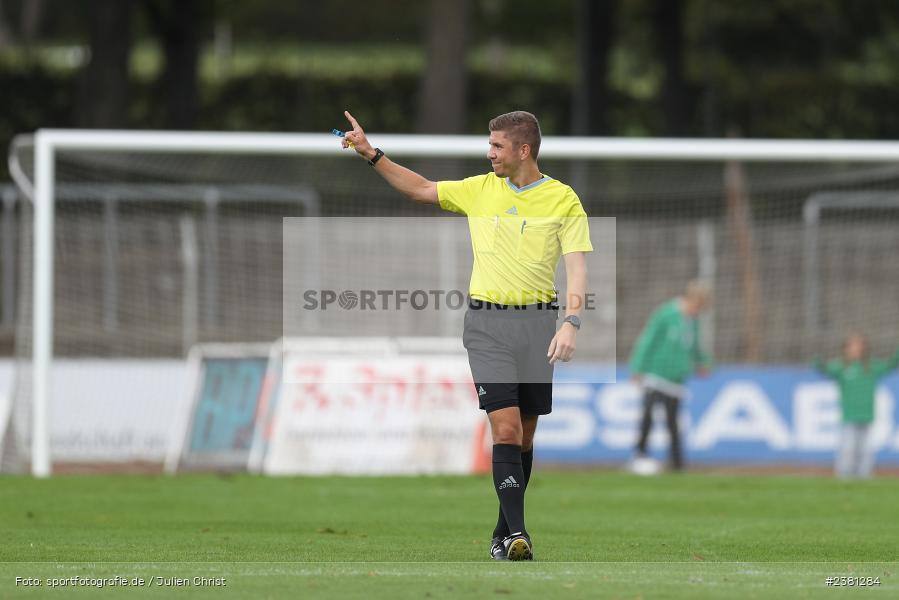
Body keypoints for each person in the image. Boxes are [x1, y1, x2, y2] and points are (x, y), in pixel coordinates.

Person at [339, 110, 592, 561]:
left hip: (539, 324)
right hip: (487, 326)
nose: (489, 153)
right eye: (489, 144)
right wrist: (371, 154)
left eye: (497, 146)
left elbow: (577, 268)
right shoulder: (480, 189)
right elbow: (420, 188)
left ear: (523, 150)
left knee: (524, 437)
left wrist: (571, 323)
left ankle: (502, 533)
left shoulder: (562, 199)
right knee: (505, 428)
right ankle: (519, 535)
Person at [629, 281, 712, 471]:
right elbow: (648, 340)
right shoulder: (666, 314)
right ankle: (640, 455)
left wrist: (704, 363)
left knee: (673, 422)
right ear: (691, 299)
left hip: (676, 379)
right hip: (656, 374)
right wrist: (638, 368)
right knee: (648, 415)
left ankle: (677, 463)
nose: (698, 311)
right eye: (698, 306)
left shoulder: (693, 321)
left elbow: (695, 347)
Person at [813, 333, 899, 479]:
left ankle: (864, 477)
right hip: (849, 415)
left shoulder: (871, 367)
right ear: (846, 349)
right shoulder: (841, 367)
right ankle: (844, 476)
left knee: (865, 450)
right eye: (852, 346)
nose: (856, 349)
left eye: (859, 346)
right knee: (848, 448)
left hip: (866, 414)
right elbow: (824, 368)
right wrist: (816, 357)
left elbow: (892, 365)